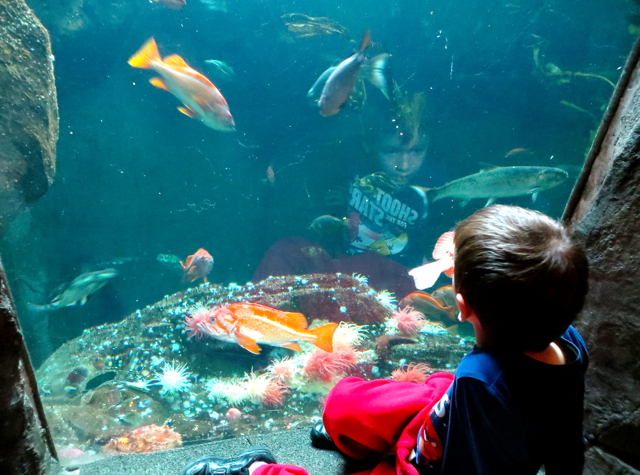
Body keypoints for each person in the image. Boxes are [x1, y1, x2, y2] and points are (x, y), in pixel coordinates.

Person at [184, 205, 589, 475]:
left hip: (423, 463)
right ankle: (350, 429)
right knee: (348, 399)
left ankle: (260, 469)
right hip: (446, 415)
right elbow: (569, 440)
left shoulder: (481, 383)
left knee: (354, 408)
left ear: (462, 308)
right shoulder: (569, 346)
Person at [252, 93, 431, 297]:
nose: (404, 165)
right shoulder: (349, 171)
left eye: (417, 151)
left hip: (397, 286)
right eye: (391, 152)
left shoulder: (429, 192)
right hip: (339, 277)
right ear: (370, 146)